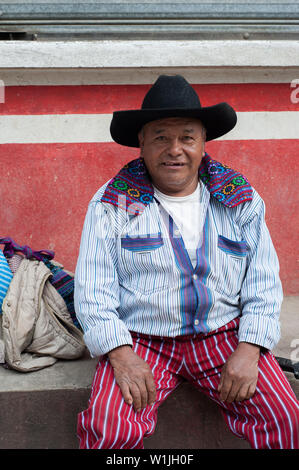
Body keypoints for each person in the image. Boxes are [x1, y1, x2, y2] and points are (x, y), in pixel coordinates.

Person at [74, 74, 299, 449]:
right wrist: (120, 355)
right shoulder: (113, 205)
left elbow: (263, 284)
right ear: (141, 144)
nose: (174, 149)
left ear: (203, 143)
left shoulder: (240, 200)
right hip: (143, 342)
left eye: (187, 137)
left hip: (224, 337)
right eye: (161, 137)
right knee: (109, 428)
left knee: (287, 419)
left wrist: (250, 349)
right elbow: (94, 293)